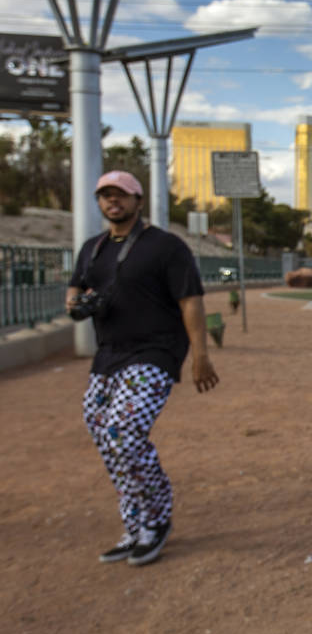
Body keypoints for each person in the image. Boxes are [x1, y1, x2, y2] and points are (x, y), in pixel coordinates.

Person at [67, 170, 220, 567]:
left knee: (124, 429)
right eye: (105, 196)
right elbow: (75, 287)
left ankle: (158, 514)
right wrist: (75, 303)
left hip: (156, 350)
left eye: (120, 195)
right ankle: (135, 523)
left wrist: (200, 355)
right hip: (110, 353)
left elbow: (191, 301)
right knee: (102, 430)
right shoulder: (93, 248)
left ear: (138, 200)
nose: (112, 202)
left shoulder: (166, 247)